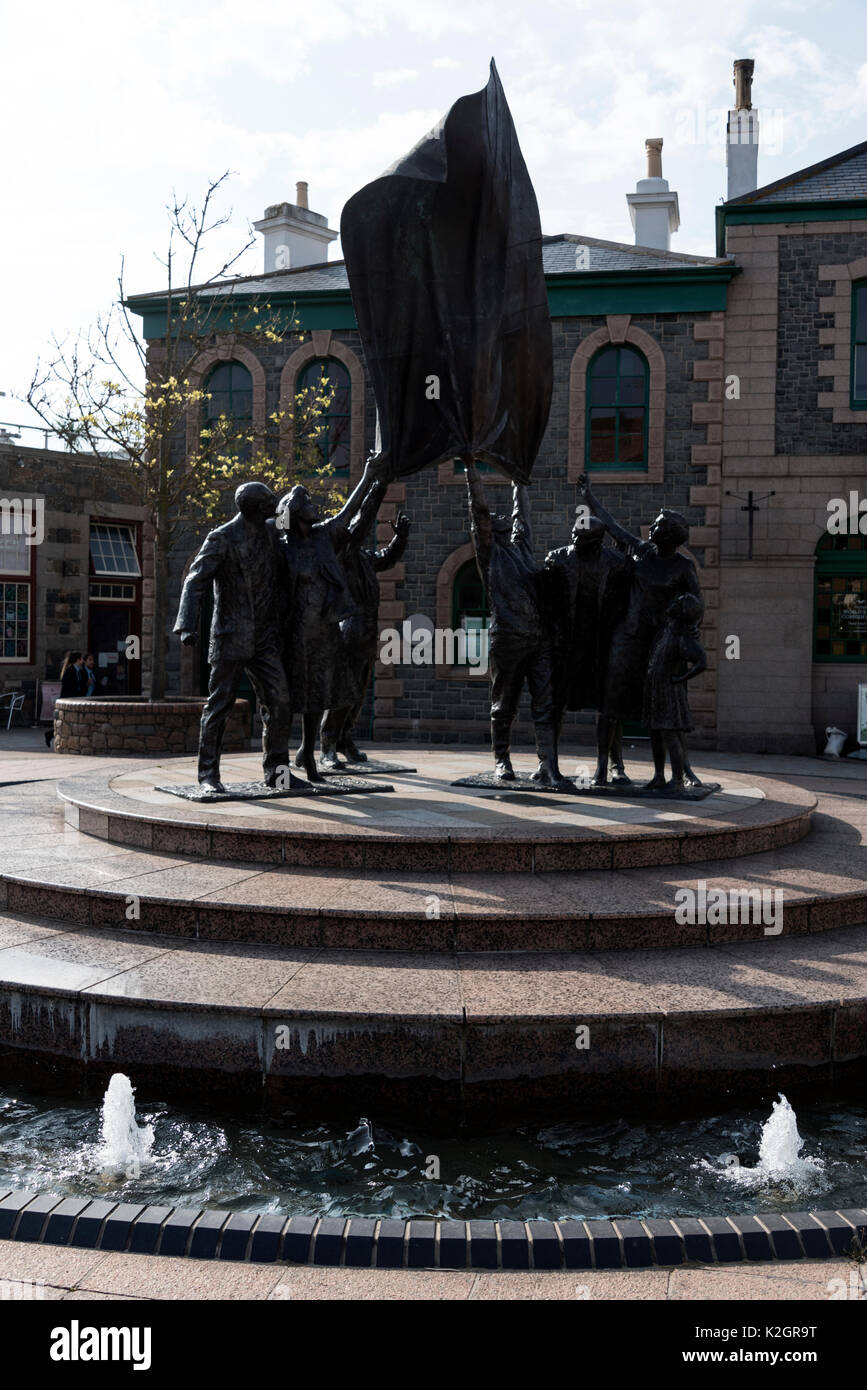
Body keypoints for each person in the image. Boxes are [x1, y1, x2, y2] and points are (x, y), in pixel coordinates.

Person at [576, 473, 702, 786]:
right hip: (627, 636)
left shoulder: (683, 566)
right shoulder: (641, 551)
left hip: (661, 643)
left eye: (658, 524)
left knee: (665, 710)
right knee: (610, 704)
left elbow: (696, 604)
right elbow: (613, 526)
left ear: (671, 534)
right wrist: (588, 497)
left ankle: (678, 771)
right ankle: (603, 768)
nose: (652, 526)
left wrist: (689, 629)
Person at [174, 481, 294, 795]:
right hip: (230, 636)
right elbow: (194, 581)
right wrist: (187, 625)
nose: (274, 505)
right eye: (270, 501)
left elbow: (306, 532)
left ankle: (278, 773)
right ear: (256, 507)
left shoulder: (271, 532)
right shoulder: (222, 538)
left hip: (265, 638)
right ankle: (208, 775)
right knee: (219, 707)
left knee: (280, 700)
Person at [275, 457, 382, 782]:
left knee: (318, 696)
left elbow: (349, 512)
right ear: (293, 514)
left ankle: (309, 754)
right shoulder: (282, 547)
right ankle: (280, 765)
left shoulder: (323, 537)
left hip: (324, 632)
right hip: (295, 633)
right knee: (289, 699)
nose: (312, 503)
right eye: (304, 501)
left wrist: (369, 476)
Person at [465, 459, 566, 786]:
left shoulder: (522, 545)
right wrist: (471, 471)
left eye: (501, 516)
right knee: (503, 704)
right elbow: (479, 511)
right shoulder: (488, 552)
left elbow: (521, 508)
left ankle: (548, 764)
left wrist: (517, 473)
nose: (499, 516)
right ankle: (501, 760)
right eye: (493, 519)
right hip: (507, 640)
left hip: (538, 640)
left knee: (546, 704)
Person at [319, 478, 411, 768]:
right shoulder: (341, 555)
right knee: (342, 691)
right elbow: (360, 526)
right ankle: (328, 745)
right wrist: (378, 486)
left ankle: (345, 739)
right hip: (349, 628)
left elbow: (386, 559)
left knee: (358, 692)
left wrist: (400, 538)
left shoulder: (362, 557)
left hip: (367, 630)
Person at [543, 513, 632, 784]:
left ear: (597, 541)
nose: (574, 541)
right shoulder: (558, 559)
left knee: (609, 706)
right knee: (555, 703)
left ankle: (611, 766)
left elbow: (627, 602)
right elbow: (545, 603)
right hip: (568, 644)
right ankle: (548, 764)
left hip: (602, 644)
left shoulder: (616, 564)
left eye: (580, 538)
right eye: (573, 535)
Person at [643, 592, 707, 791]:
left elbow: (702, 661)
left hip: (668, 691)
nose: (674, 602)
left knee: (671, 735)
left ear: (683, 612)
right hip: (655, 688)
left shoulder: (682, 636)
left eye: (679, 602)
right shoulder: (667, 630)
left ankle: (677, 780)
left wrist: (680, 678)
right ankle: (659, 776)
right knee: (655, 733)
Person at [46, 652, 85, 747]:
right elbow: (69, 686)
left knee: (66, 722)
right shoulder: (70, 670)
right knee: (65, 722)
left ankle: (50, 735)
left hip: (73, 699)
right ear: (77, 660)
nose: (82, 661)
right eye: (81, 659)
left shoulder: (77, 670)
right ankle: (49, 734)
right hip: (68, 699)